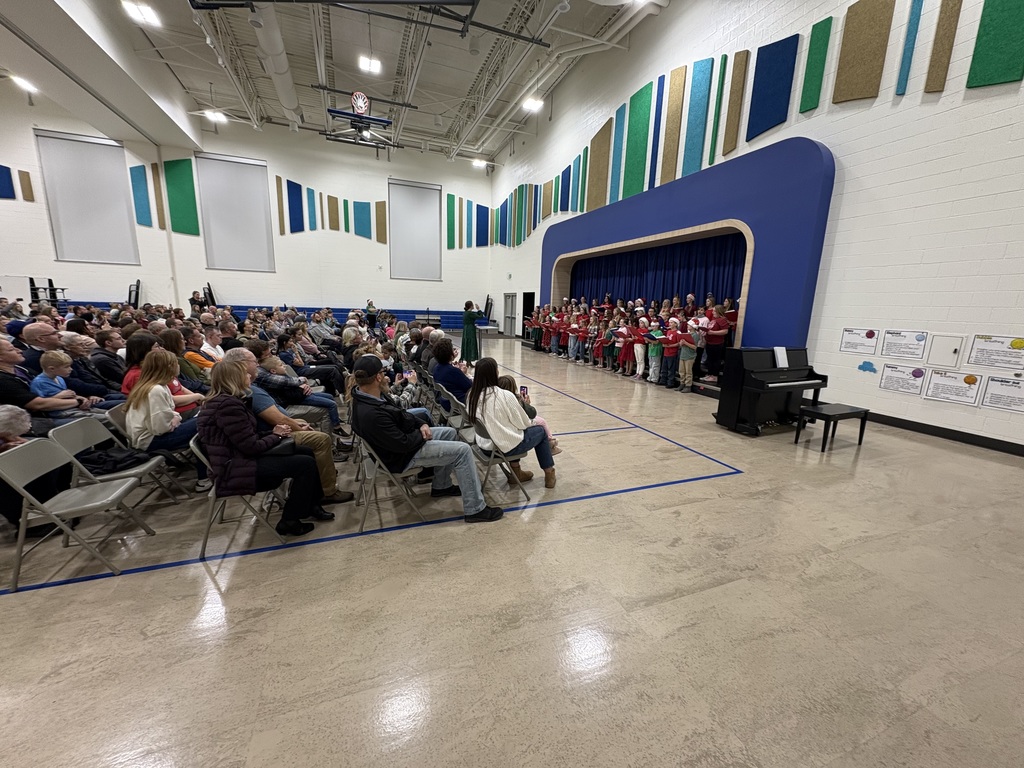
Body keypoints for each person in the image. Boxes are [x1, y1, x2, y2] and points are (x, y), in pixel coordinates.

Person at [349, 354, 502, 523]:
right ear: (377, 377)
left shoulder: (371, 396)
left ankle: (441, 485)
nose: (386, 376)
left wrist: (421, 424)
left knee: (450, 433)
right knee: (463, 451)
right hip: (400, 457)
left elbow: (401, 414)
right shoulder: (371, 413)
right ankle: (475, 509)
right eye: (383, 372)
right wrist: (421, 435)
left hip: (402, 443)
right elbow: (402, 444)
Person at [198, 360, 328, 538]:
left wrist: (274, 432)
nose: (249, 376)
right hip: (234, 469)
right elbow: (250, 447)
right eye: (244, 374)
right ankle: (290, 519)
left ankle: (311, 504)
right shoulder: (227, 406)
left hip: (239, 458)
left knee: (305, 451)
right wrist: (276, 435)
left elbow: (245, 437)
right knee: (304, 464)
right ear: (234, 378)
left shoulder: (227, 400)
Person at [222, 347, 353, 506]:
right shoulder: (248, 391)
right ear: (241, 366)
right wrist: (288, 430)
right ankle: (328, 490)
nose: (257, 365)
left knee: (310, 422)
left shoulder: (248, 387)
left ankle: (320, 476)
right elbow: (277, 419)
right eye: (254, 363)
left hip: (271, 432)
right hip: (267, 441)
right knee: (320, 439)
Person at [124, 349, 209, 491]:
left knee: (205, 421)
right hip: (150, 441)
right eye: (176, 363)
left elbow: (170, 415)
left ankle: (206, 474)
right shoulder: (155, 390)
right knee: (205, 422)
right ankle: (204, 477)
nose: (178, 366)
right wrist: (176, 417)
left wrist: (175, 417)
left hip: (155, 435)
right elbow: (161, 428)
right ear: (169, 367)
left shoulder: (158, 385)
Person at [468, 358, 556, 488]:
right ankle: (549, 472)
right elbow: (524, 424)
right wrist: (525, 406)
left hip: (483, 445)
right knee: (540, 431)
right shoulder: (504, 395)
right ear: (494, 373)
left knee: (511, 432)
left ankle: (517, 472)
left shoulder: (472, 395)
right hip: (502, 448)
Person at [496, 374, 561, 455]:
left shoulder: (498, 399)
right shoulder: (514, 399)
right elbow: (530, 415)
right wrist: (527, 404)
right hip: (518, 426)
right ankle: (550, 442)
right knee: (542, 422)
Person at [431, 338, 472, 407]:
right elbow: (470, 386)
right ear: (449, 354)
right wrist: (465, 374)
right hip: (458, 403)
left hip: (445, 401)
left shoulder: (437, 368)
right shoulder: (453, 371)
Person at [700, 304, 730, 382]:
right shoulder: (714, 319)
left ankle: (714, 375)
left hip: (717, 343)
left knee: (715, 360)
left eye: (714, 311)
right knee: (710, 359)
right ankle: (710, 374)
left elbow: (725, 331)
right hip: (710, 342)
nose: (712, 312)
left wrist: (713, 332)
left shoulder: (722, 320)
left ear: (718, 311)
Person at [460, 301, 485, 366]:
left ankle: (468, 361)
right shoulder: (470, 313)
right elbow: (481, 316)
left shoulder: (465, 313)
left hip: (466, 328)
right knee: (471, 344)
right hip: (470, 330)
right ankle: (469, 360)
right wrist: (479, 309)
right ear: (471, 306)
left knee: (467, 343)